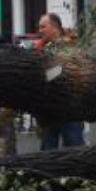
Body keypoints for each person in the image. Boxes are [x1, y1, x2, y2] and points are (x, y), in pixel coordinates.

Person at [36, 13, 86, 150]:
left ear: (54, 27)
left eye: (43, 27)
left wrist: (42, 77)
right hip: (49, 107)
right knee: (47, 150)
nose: (40, 30)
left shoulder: (70, 46)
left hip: (69, 107)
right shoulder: (44, 48)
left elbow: (65, 70)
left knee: (74, 149)